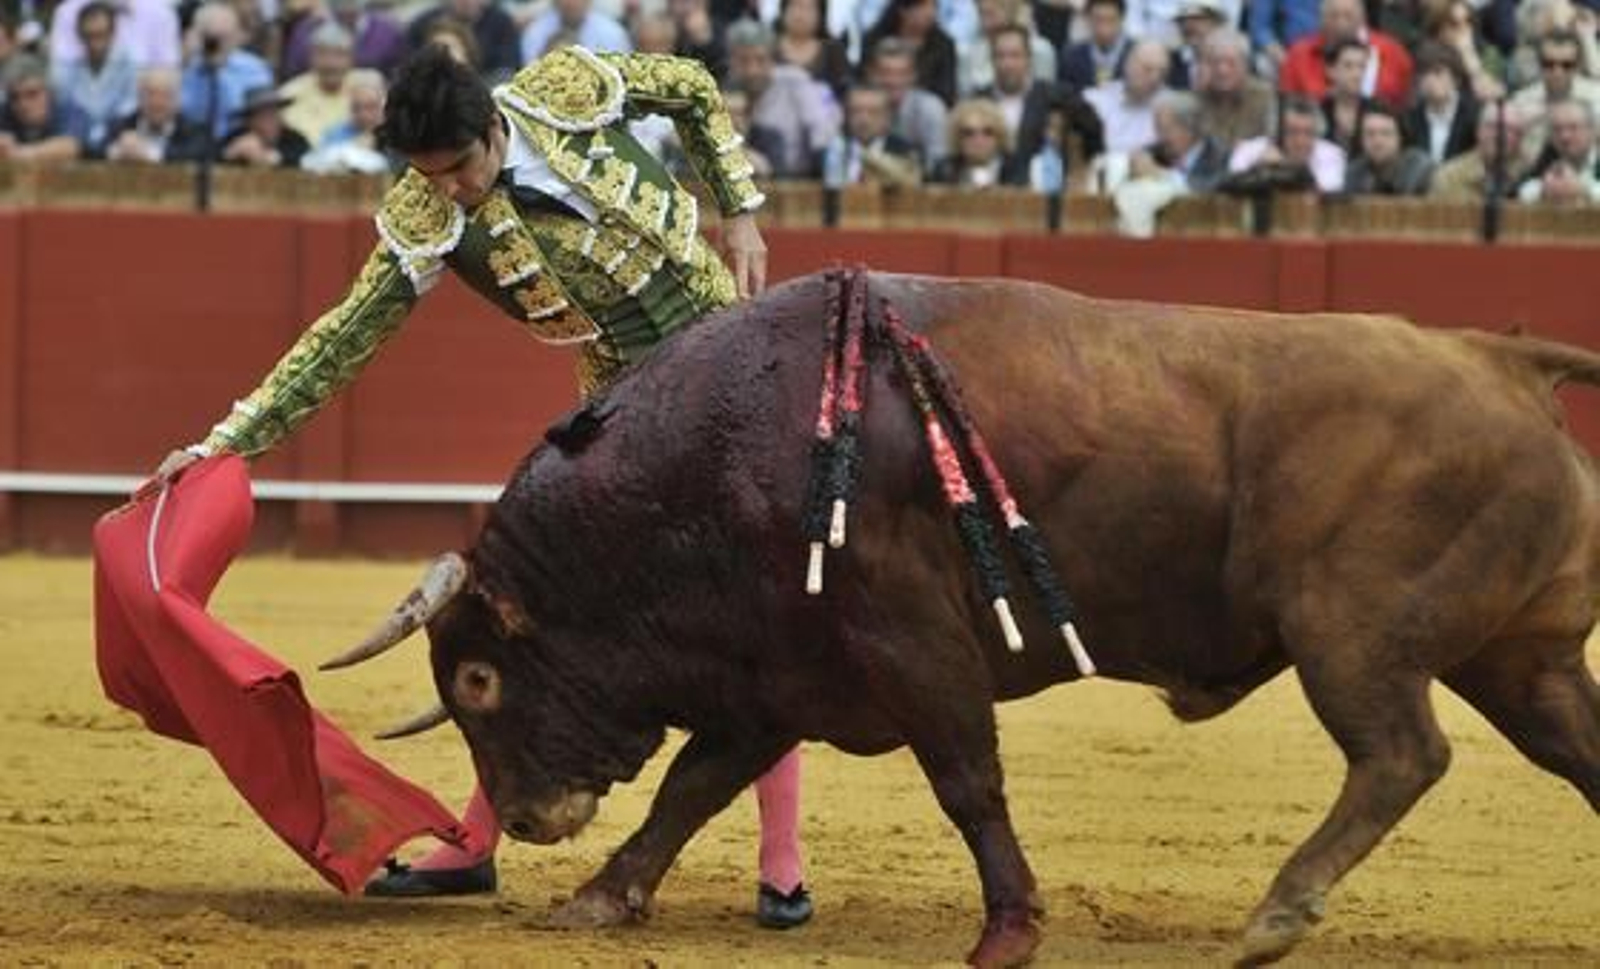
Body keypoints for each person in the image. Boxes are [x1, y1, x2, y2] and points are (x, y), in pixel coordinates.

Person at [144, 43, 814, 931]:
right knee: (531, 616)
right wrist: (224, 442)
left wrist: (742, 212)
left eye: (460, 166)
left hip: (732, 376)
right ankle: (474, 841)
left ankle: (781, 864)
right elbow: (341, 337)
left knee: (759, 606)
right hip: (619, 406)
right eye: (430, 174)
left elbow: (690, 86)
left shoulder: (566, 90)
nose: (452, 190)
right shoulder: (426, 213)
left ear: (495, 125)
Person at [100, 65, 209, 163]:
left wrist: (149, 154)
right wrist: (118, 150)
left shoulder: (194, 131)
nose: (157, 103)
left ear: (177, 100)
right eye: (150, 94)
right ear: (139, 98)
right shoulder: (120, 126)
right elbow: (97, 151)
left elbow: (196, 154)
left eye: (165, 96)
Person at [1343, 103, 1434, 194]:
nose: (1378, 141)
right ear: (1360, 139)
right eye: (1370, 134)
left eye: (1386, 133)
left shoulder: (1420, 170)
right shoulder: (1354, 172)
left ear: (1400, 137)